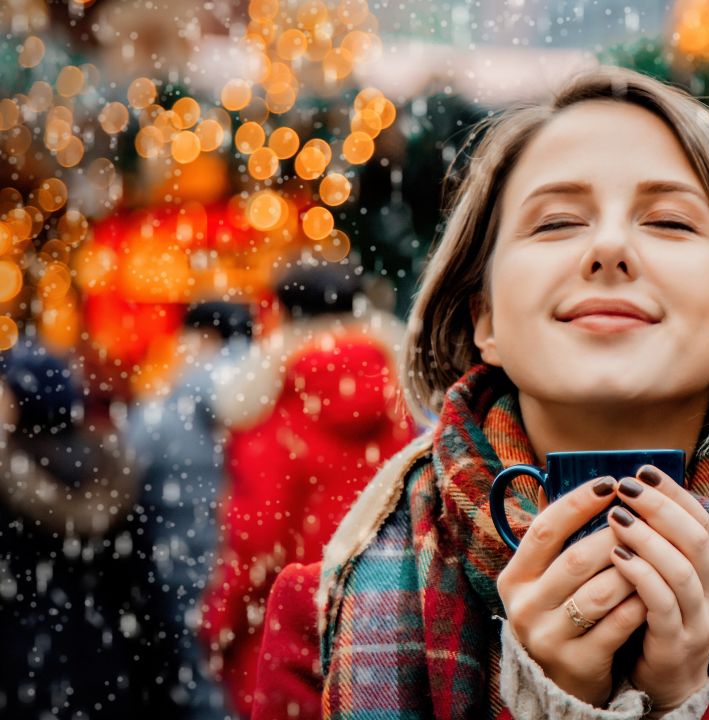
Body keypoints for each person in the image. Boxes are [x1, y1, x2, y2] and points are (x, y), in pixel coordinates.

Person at [251, 66, 709, 720]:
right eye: (557, 221)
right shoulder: (317, 619)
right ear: (485, 320)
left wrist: (687, 701)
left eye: (668, 221)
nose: (610, 248)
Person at [200, 266, 416, 717]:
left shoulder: (272, 397)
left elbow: (258, 538)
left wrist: (218, 626)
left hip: (294, 630)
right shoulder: (398, 390)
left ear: (278, 314)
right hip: (386, 619)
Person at [0, 337, 177, 718]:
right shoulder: (113, 468)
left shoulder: (8, 477)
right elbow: (146, 595)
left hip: (23, 672)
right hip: (107, 667)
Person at [127, 301, 254, 720]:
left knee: (200, 689)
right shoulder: (272, 396)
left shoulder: (164, 411)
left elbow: (126, 481)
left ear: (203, 338)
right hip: (254, 570)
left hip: (181, 571)